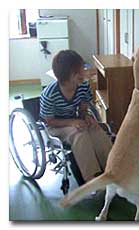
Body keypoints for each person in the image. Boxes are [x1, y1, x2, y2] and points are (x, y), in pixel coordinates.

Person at [40, 50, 112, 182]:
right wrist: (72, 122)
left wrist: (86, 117)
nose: (84, 72)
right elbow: (49, 121)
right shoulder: (49, 94)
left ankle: (112, 168)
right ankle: (92, 179)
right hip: (56, 126)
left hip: (75, 120)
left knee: (94, 128)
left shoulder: (83, 86)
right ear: (69, 75)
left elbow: (83, 108)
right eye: (81, 70)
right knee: (79, 133)